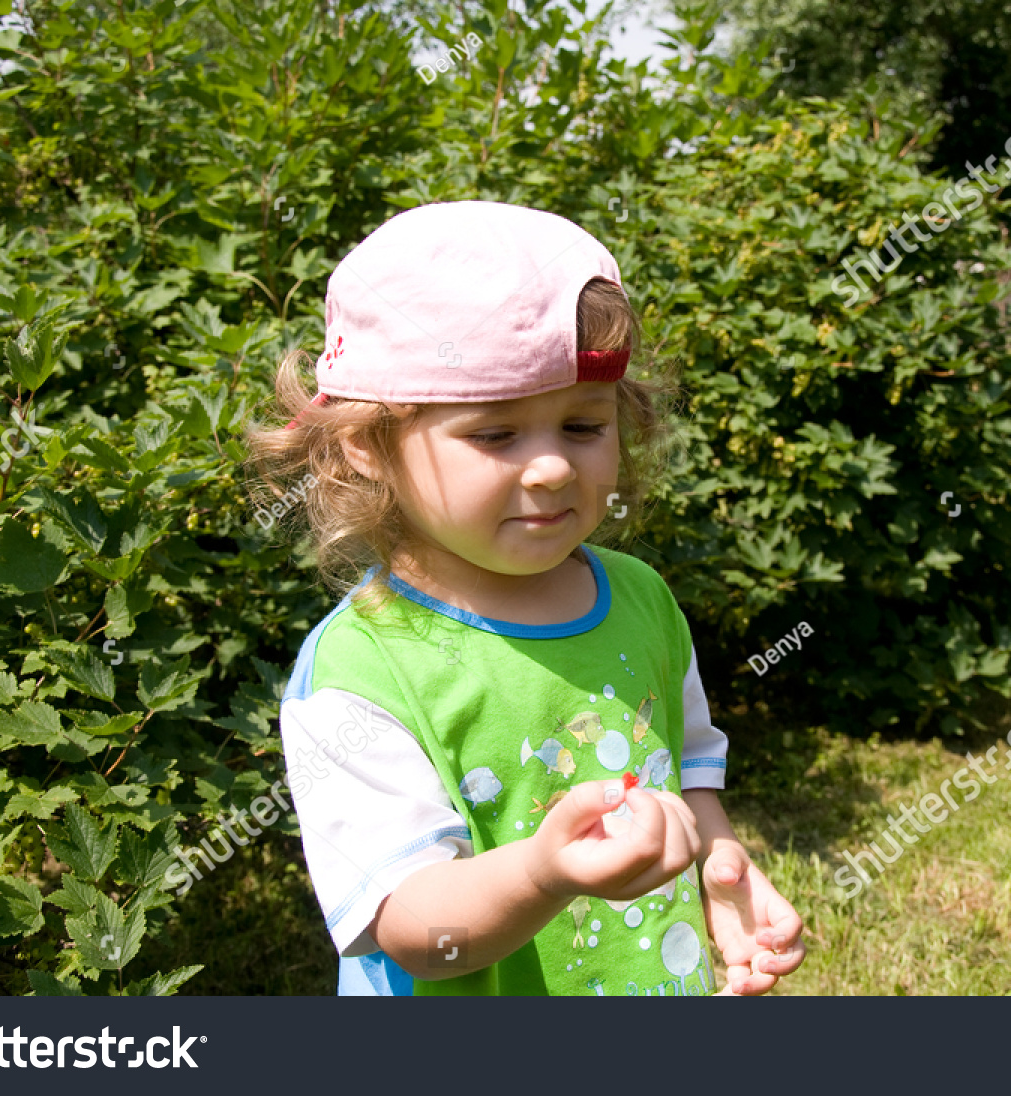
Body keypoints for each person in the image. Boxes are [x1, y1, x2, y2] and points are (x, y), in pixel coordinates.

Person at [243, 200, 806, 996]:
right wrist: (547, 872)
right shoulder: (361, 670)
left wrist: (721, 873)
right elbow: (410, 927)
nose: (550, 468)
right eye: (496, 435)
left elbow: (685, 764)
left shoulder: (640, 600)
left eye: (582, 426)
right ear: (367, 445)